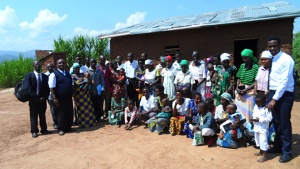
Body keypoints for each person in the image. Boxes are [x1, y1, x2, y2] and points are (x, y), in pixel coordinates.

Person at [265, 36, 294, 163]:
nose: (272, 48)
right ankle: (277, 146)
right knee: (276, 123)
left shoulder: (286, 59)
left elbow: (284, 81)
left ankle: (287, 151)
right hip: (273, 92)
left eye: (274, 46)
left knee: (284, 123)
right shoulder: (273, 59)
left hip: (284, 94)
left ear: (280, 45)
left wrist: (274, 99)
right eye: (270, 46)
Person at [24, 60, 50, 138]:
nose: (38, 65)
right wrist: (35, 97)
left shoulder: (45, 76)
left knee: (42, 115)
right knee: (33, 116)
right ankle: (34, 131)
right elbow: (27, 88)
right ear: (33, 66)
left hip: (42, 100)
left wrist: (44, 97)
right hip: (33, 100)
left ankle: (44, 129)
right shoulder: (29, 75)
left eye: (39, 64)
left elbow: (47, 89)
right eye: (36, 64)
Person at [49, 59, 73, 136]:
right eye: (60, 63)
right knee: (60, 114)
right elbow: (52, 87)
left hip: (68, 97)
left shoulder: (68, 74)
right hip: (59, 98)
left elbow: (72, 85)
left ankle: (68, 127)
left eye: (63, 63)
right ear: (57, 65)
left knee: (68, 112)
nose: (62, 64)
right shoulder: (54, 74)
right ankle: (61, 129)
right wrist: (55, 98)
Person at [235, 49, 258, 122]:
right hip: (240, 90)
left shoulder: (255, 67)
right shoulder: (242, 66)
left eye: (246, 58)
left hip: (250, 91)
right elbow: (238, 78)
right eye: (243, 58)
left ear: (251, 57)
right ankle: (239, 126)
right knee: (239, 110)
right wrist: (237, 88)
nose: (244, 60)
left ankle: (247, 127)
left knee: (248, 111)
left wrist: (246, 90)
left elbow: (256, 82)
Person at [250, 93, 272, 163]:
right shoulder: (256, 106)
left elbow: (269, 119)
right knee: (258, 139)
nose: (258, 104)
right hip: (256, 126)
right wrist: (252, 118)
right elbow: (254, 113)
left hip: (263, 128)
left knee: (263, 141)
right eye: (256, 102)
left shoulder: (267, 108)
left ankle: (265, 156)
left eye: (260, 102)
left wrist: (259, 120)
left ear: (265, 101)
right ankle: (261, 151)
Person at [72, 63, 96, 128]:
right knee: (80, 109)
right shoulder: (72, 76)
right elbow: (75, 85)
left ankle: (90, 122)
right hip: (78, 95)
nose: (77, 69)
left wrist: (89, 81)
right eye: (75, 68)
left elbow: (90, 81)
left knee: (88, 108)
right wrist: (85, 82)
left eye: (78, 68)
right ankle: (82, 123)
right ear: (73, 69)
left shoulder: (83, 74)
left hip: (86, 94)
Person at [88, 58, 105, 123]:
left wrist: (103, 88)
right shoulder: (88, 71)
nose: (93, 64)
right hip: (92, 91)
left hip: (99, 90)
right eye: (92, 62)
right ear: (90, 63)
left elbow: (102, 80)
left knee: (99, 104)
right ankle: (93, 117)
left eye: (94, 62)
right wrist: (89, 90)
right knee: (92, 104)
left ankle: (98, 117)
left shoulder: (99, 71)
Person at [44, 62, 58, 129]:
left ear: (53, 67)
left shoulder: (56, 74)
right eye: (48, 67)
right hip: (50, 96)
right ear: (46, 68)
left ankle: (60, 121)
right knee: (53, 109)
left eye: (51, 67)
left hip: (58, 94)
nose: (50, 68)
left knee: (59, 109)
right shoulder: (45, 75)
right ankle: (55, 122)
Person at [98, 55, 112, 119]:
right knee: (100, 101)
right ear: (99, 60)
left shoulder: (107, 68)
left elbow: (109, 77)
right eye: (101, 59)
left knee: (107, 101)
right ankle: (101, 114)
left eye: (104, 59)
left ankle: (106, 113)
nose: (103, 60)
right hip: (100, 87)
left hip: (107, 86)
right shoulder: (97, 67)